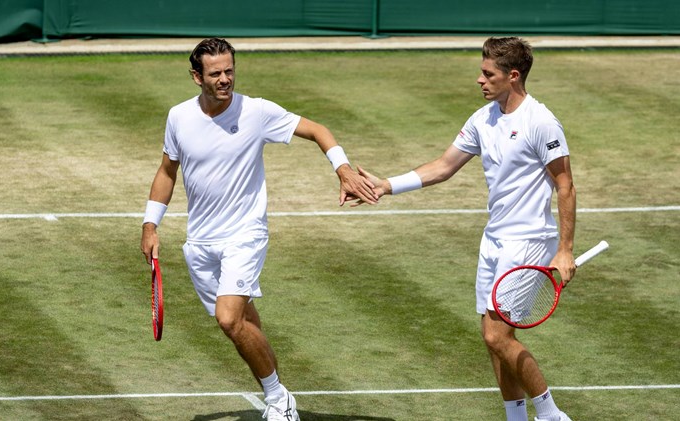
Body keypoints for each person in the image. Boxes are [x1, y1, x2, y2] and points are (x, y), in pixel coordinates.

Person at [140, 37, 377, 421]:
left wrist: (344, 169)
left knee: (229, 318)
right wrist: (150, 224)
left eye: (229, 71)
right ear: (195, 76)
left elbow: (318, 130)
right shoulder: (179, 117)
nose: (224, 79)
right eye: (215, 73)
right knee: (244, 324)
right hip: (200, 241)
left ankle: (278, 398)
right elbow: (168, 171)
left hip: (245, 234)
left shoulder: (257, 112)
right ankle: (278, 395)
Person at [356, 37, 576, 421]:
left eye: (488, 73)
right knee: (493, 341)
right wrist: (386, 185)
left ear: (513, 76)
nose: (480, 80)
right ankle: (516, 417)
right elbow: (443, 166)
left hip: (527, 242)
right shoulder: (483, 118)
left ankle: (552, 414)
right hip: (493, 240)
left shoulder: (541, 121)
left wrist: (565, 249)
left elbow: (565, 185)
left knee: (497, 336)